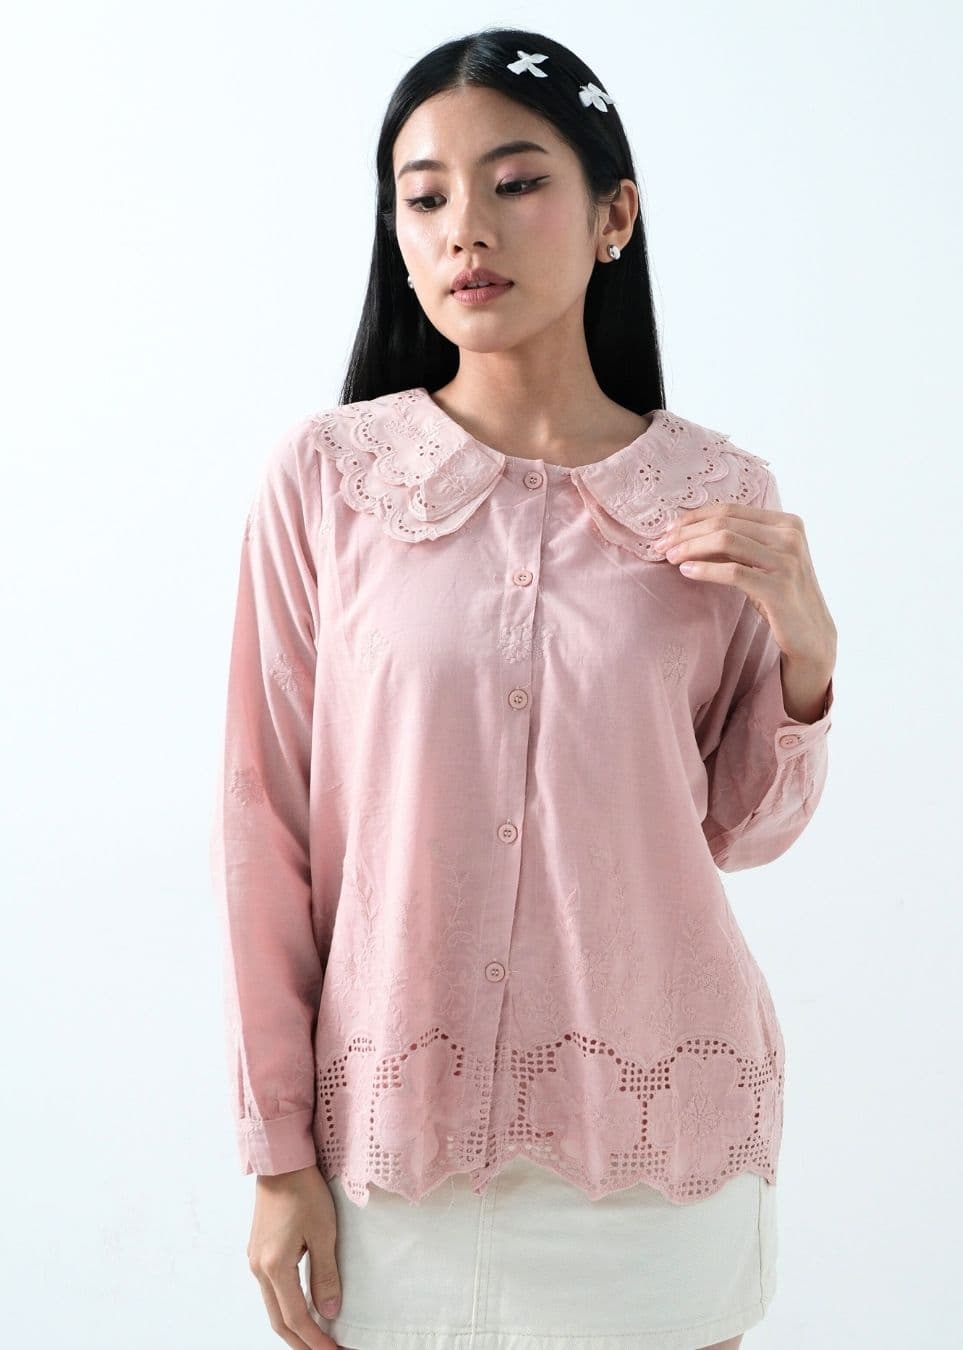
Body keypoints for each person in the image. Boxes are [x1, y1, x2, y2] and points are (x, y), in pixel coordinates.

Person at [210, 25, 838, 1350]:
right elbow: (262, 829)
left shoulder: (719, 497)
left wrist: (806, 658)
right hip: (393, 1158)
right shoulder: (327, 482)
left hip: (661, 1154)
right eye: (425, 197)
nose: (466, 229)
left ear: (615, 214)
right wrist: (277, 1152)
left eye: (515, 182)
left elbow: (741, 831)